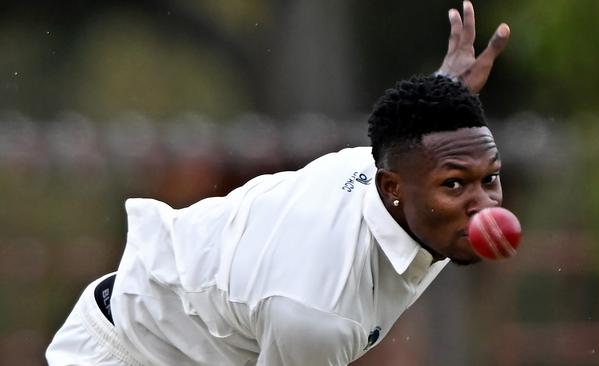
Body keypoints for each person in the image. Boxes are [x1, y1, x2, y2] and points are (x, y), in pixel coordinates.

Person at [46, 1, 511, 365]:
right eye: (454, 185)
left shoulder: (404, 177)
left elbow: (415, 141)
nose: (484, 205)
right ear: (391, 188)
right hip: (126, 353)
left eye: (489, 178)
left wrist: (445, 92)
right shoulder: (320, 310)